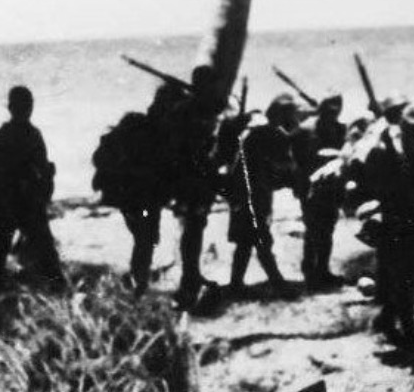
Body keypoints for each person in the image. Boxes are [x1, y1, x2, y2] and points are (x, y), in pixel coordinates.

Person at [356, 106, 414, 346]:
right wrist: (384, 151)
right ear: (402, 128)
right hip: (391, 223)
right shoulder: (384, 151)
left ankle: (388, 320)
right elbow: (368, 177)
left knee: (407, 278)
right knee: (395, 278)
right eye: (409, 128)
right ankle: (408, 330)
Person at [93, 83, 181, 290]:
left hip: (133, 196)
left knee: (145, 238)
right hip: (137, 195)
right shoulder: (147, 129)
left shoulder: (140, 124)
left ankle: (137, 280)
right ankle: (138, 282)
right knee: (146, 238)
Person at [0, 86, 63, 287]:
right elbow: (43, 170)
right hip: (24, 201)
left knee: (0, 251)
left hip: (7, 200)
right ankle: (58, 288)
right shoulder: (31, 134)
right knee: (43, 250)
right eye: (26, 105)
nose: (27, 109)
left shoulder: (2, 135)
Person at [224, 95, 300, 295]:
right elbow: (277, 167)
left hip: (252, 193)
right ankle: (276, 282)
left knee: (247, 240)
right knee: (258, 239)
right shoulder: (266, 134)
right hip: (252, 194)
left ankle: (236, 284)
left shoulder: (261, 132)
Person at [166, 65, 227, 308]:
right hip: (189, 181)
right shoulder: (187, 111)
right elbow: (181, 149)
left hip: (199, 180)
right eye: (212, 84)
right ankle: (188, 282)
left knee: (195, 229)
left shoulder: (195, 108)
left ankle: (191, 276)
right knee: (191, 230)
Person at [293, 94, 348, 289]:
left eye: (337, 108)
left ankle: (322, 270)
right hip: (310, 188)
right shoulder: (305, 129)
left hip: (332, 188)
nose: (333, 112)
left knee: (328, 229)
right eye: (329, 108)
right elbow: (297, 160)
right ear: (322, 107)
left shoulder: (341, 129)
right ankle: (310, 272)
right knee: (313, 230)